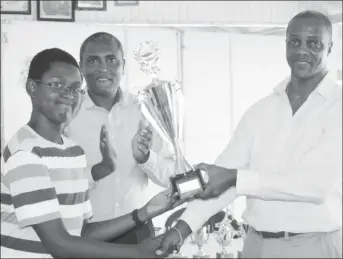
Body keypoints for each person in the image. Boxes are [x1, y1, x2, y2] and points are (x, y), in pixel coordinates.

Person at [156, 10, 342, 258]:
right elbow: (221, 177)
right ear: (285, 43)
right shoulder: (261, 110)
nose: (302, 50)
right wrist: (181, 228)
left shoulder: (337, 106)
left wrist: (233, 177)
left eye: (314, 43)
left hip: (314, 246)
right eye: (295, 41)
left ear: (329, 48)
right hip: (255, 244)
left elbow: (314, 185)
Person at [0, 48, 186, 258]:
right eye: (57, 85)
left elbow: (83, 233)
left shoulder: (73, 152)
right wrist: (136, 253)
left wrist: (145, 211)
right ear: (32, 88)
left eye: (75, 88)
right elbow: (58, 245)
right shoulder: (25, 153)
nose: (68, 94)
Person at [64, 32, 176, 244]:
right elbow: (57, 183)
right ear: (81, 67)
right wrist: (97, 171)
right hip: (85, 234)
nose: (103, 67)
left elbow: (172, 176)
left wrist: (145, 158)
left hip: (138, 232)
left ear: (123, 65)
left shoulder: (146, 110)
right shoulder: (67, 112)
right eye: (93, 60)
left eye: (111, 59)